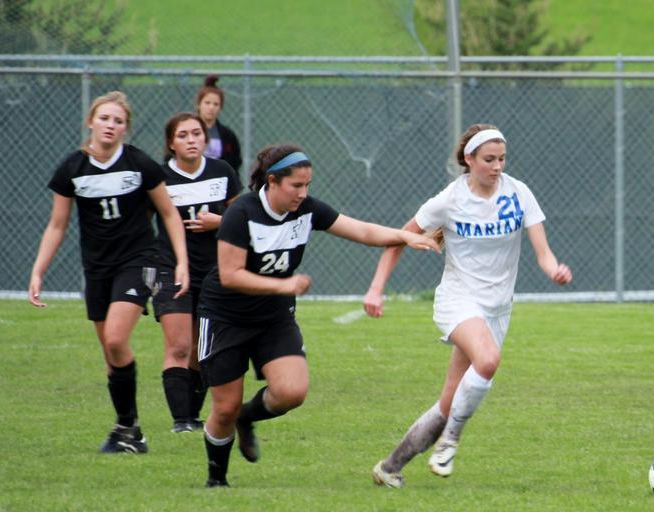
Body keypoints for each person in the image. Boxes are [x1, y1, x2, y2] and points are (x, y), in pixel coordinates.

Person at [197, 143, 441, 488]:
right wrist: (284, 285)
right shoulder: (241, 213)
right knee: (224, 407)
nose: (303, 193)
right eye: (296, 185)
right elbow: (230, 275)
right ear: (272, 181)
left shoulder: (307, 209)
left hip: (273, 317)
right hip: (226, 316)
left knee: (292, 392)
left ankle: (246, 418)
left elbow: (363, 232)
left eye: (307, 185)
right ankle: (216, 481)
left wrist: (405, 235)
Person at [364, 123, 573, 488]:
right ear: (469, 159)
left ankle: (390, 466)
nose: (497, 166)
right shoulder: (449, 200)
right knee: (488, 361)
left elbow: (543, 252)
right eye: (489, 159)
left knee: (449, 404)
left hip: (496, 310)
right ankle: (450, 443)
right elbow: (398, 239)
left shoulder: (518, 193)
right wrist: (375, 289)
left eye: (502, 159)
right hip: (458, 300)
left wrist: (554, 269)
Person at [28, 91, 190, 454]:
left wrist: (181, 261)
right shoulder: (72, 168)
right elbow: (57, 225)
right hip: (97, 269)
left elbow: (168, 213)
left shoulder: (139, 163)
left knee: (116, 339)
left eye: (118, 121)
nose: (110, 125)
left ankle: (127, 430)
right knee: (111, 355)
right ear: (91, 121)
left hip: (138, 260)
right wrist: (38, 271)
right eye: (104, 118)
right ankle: (129, 430)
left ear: (125, 128)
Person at [152, 112, 243, 433]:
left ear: (205, 139)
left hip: (215, 273)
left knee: (200, 350)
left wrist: (219, 222)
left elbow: (243, 217)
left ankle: (192, 416)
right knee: (178, 346)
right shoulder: (159, 178)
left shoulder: (222, 172)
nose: (191, 140)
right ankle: (181, 422)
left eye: (196, 134)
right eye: (183, 135)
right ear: (171, 143)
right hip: (172, 269)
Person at [195, 75, 242, 172]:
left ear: (220, 107)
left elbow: (235, 163)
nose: (211, 107)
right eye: (207, 103)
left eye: (216, 104)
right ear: (199, 104)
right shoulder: (187, 131)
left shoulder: (228, 135)